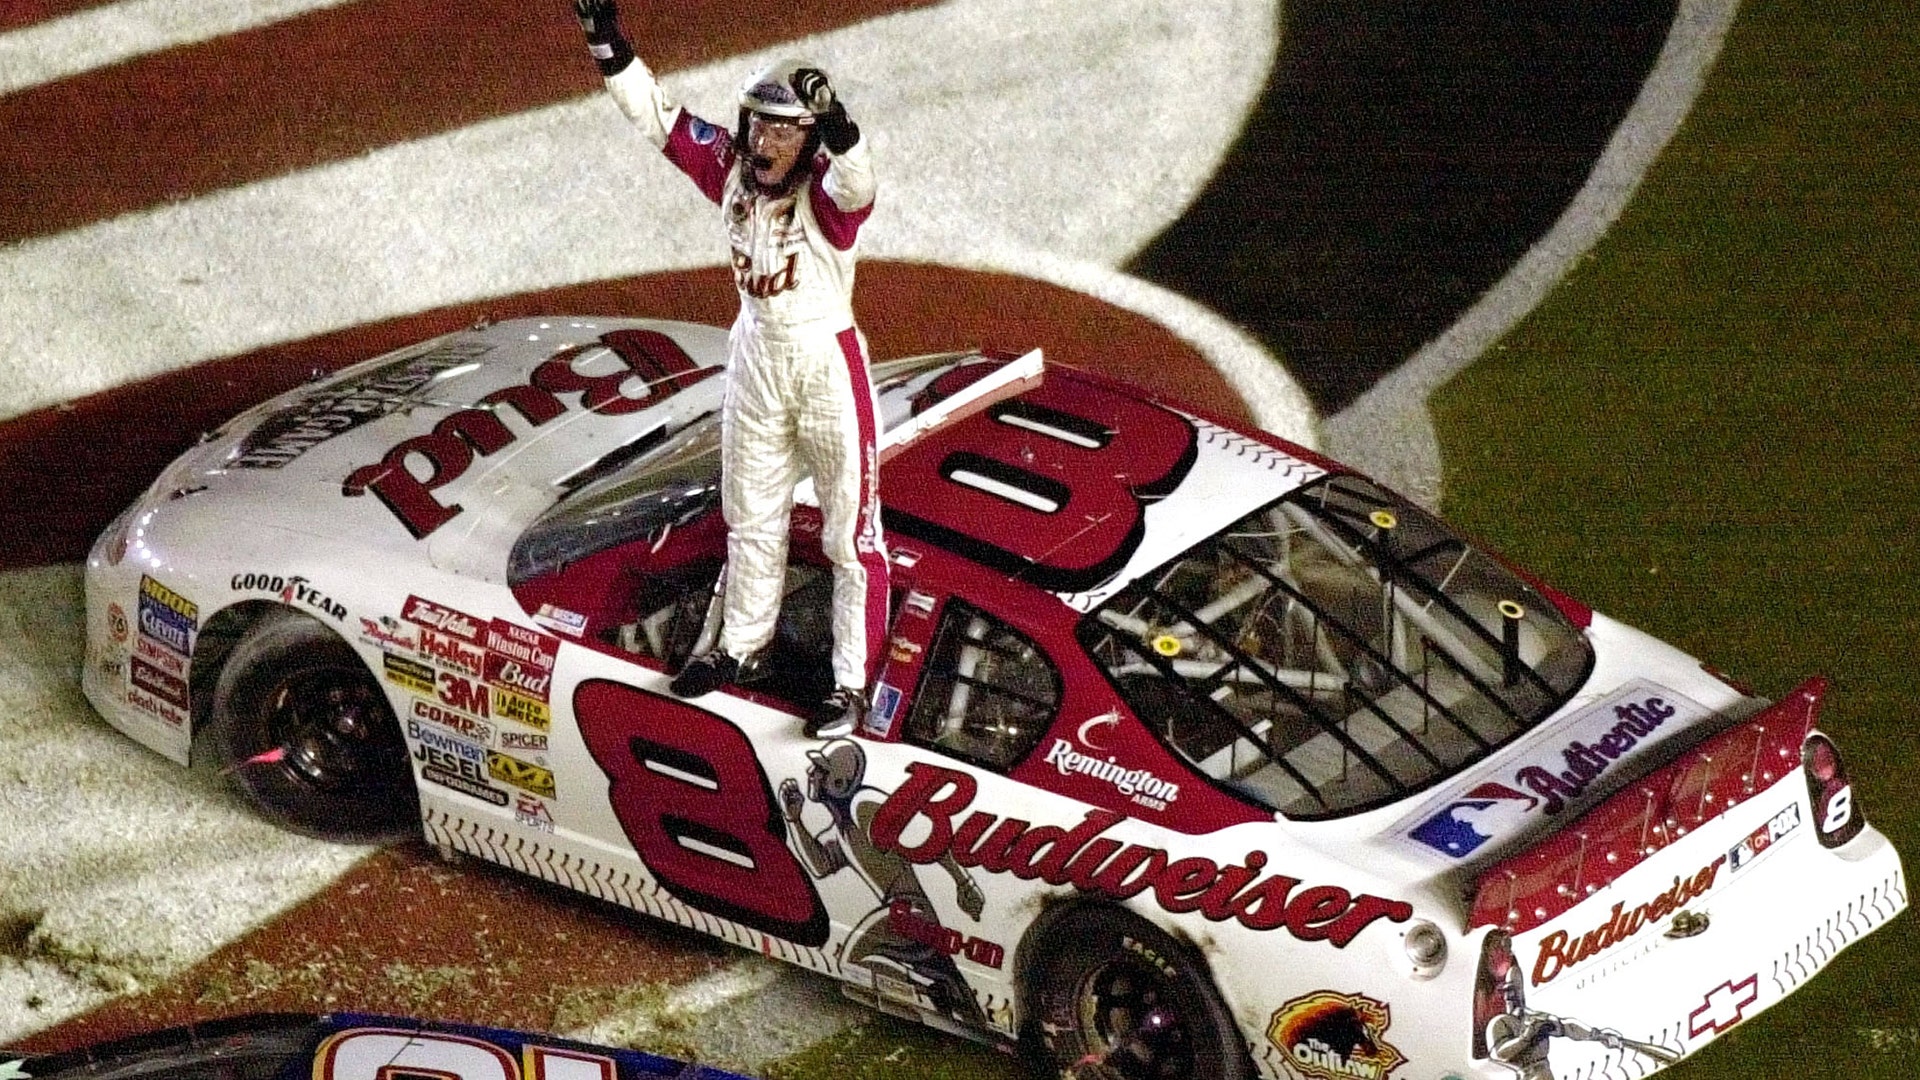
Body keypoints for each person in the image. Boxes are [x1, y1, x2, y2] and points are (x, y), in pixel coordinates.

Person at [571, 0, 888, 737]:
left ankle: (850, 685)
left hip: (825, 360)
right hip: (756, 354)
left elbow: (859, 184)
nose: (763, 139)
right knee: (750, 515)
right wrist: (606, 42)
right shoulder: (730, 170)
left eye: (782, 128)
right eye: (757, 123)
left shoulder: (825, 192)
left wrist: (839, 120)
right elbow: (661, 117)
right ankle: (740, 648)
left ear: (810, 141)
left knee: (851, 536)